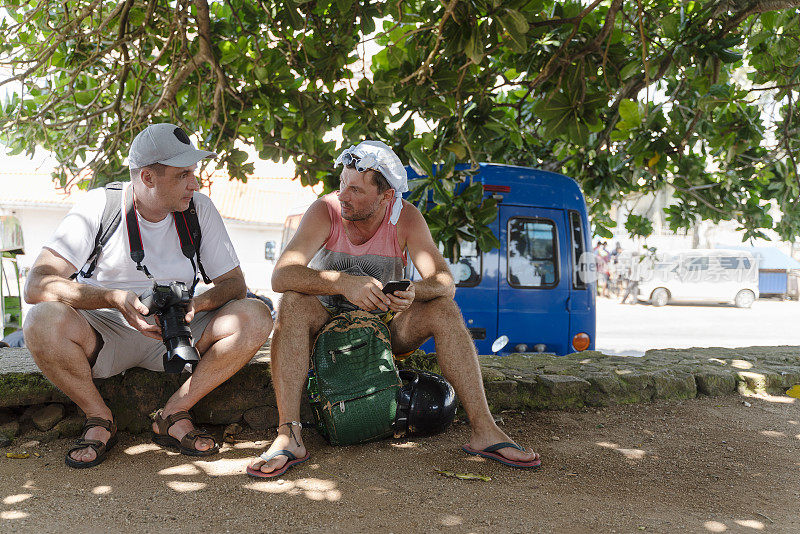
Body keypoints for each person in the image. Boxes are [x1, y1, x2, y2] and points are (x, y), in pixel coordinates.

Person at [246, 140, 540, 478]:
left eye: (355, 190)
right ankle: (289, 434)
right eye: (342, 182)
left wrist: (415, 291)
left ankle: (485, 431)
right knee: (293, 301)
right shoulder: (324, 210)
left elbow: (444, 282)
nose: (343, 194)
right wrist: (341, 283)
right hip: (326, 327)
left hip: (384, 331)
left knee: (444, 309)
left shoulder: (406, 218)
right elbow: (282, 275)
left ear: (386, 197)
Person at [23, 123, 272, 468]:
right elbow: (37, 284)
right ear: (148, 177)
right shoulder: (100, 206)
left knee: (256, 314)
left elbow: (234, 285)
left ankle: (173, 412)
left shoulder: (198, 209)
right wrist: (112, 299)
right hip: (105, 333)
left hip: (176, 333)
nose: (194, 184)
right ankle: (98, 417)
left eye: (193, 173)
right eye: (183, 175)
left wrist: (194, 304)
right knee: (41, 319)